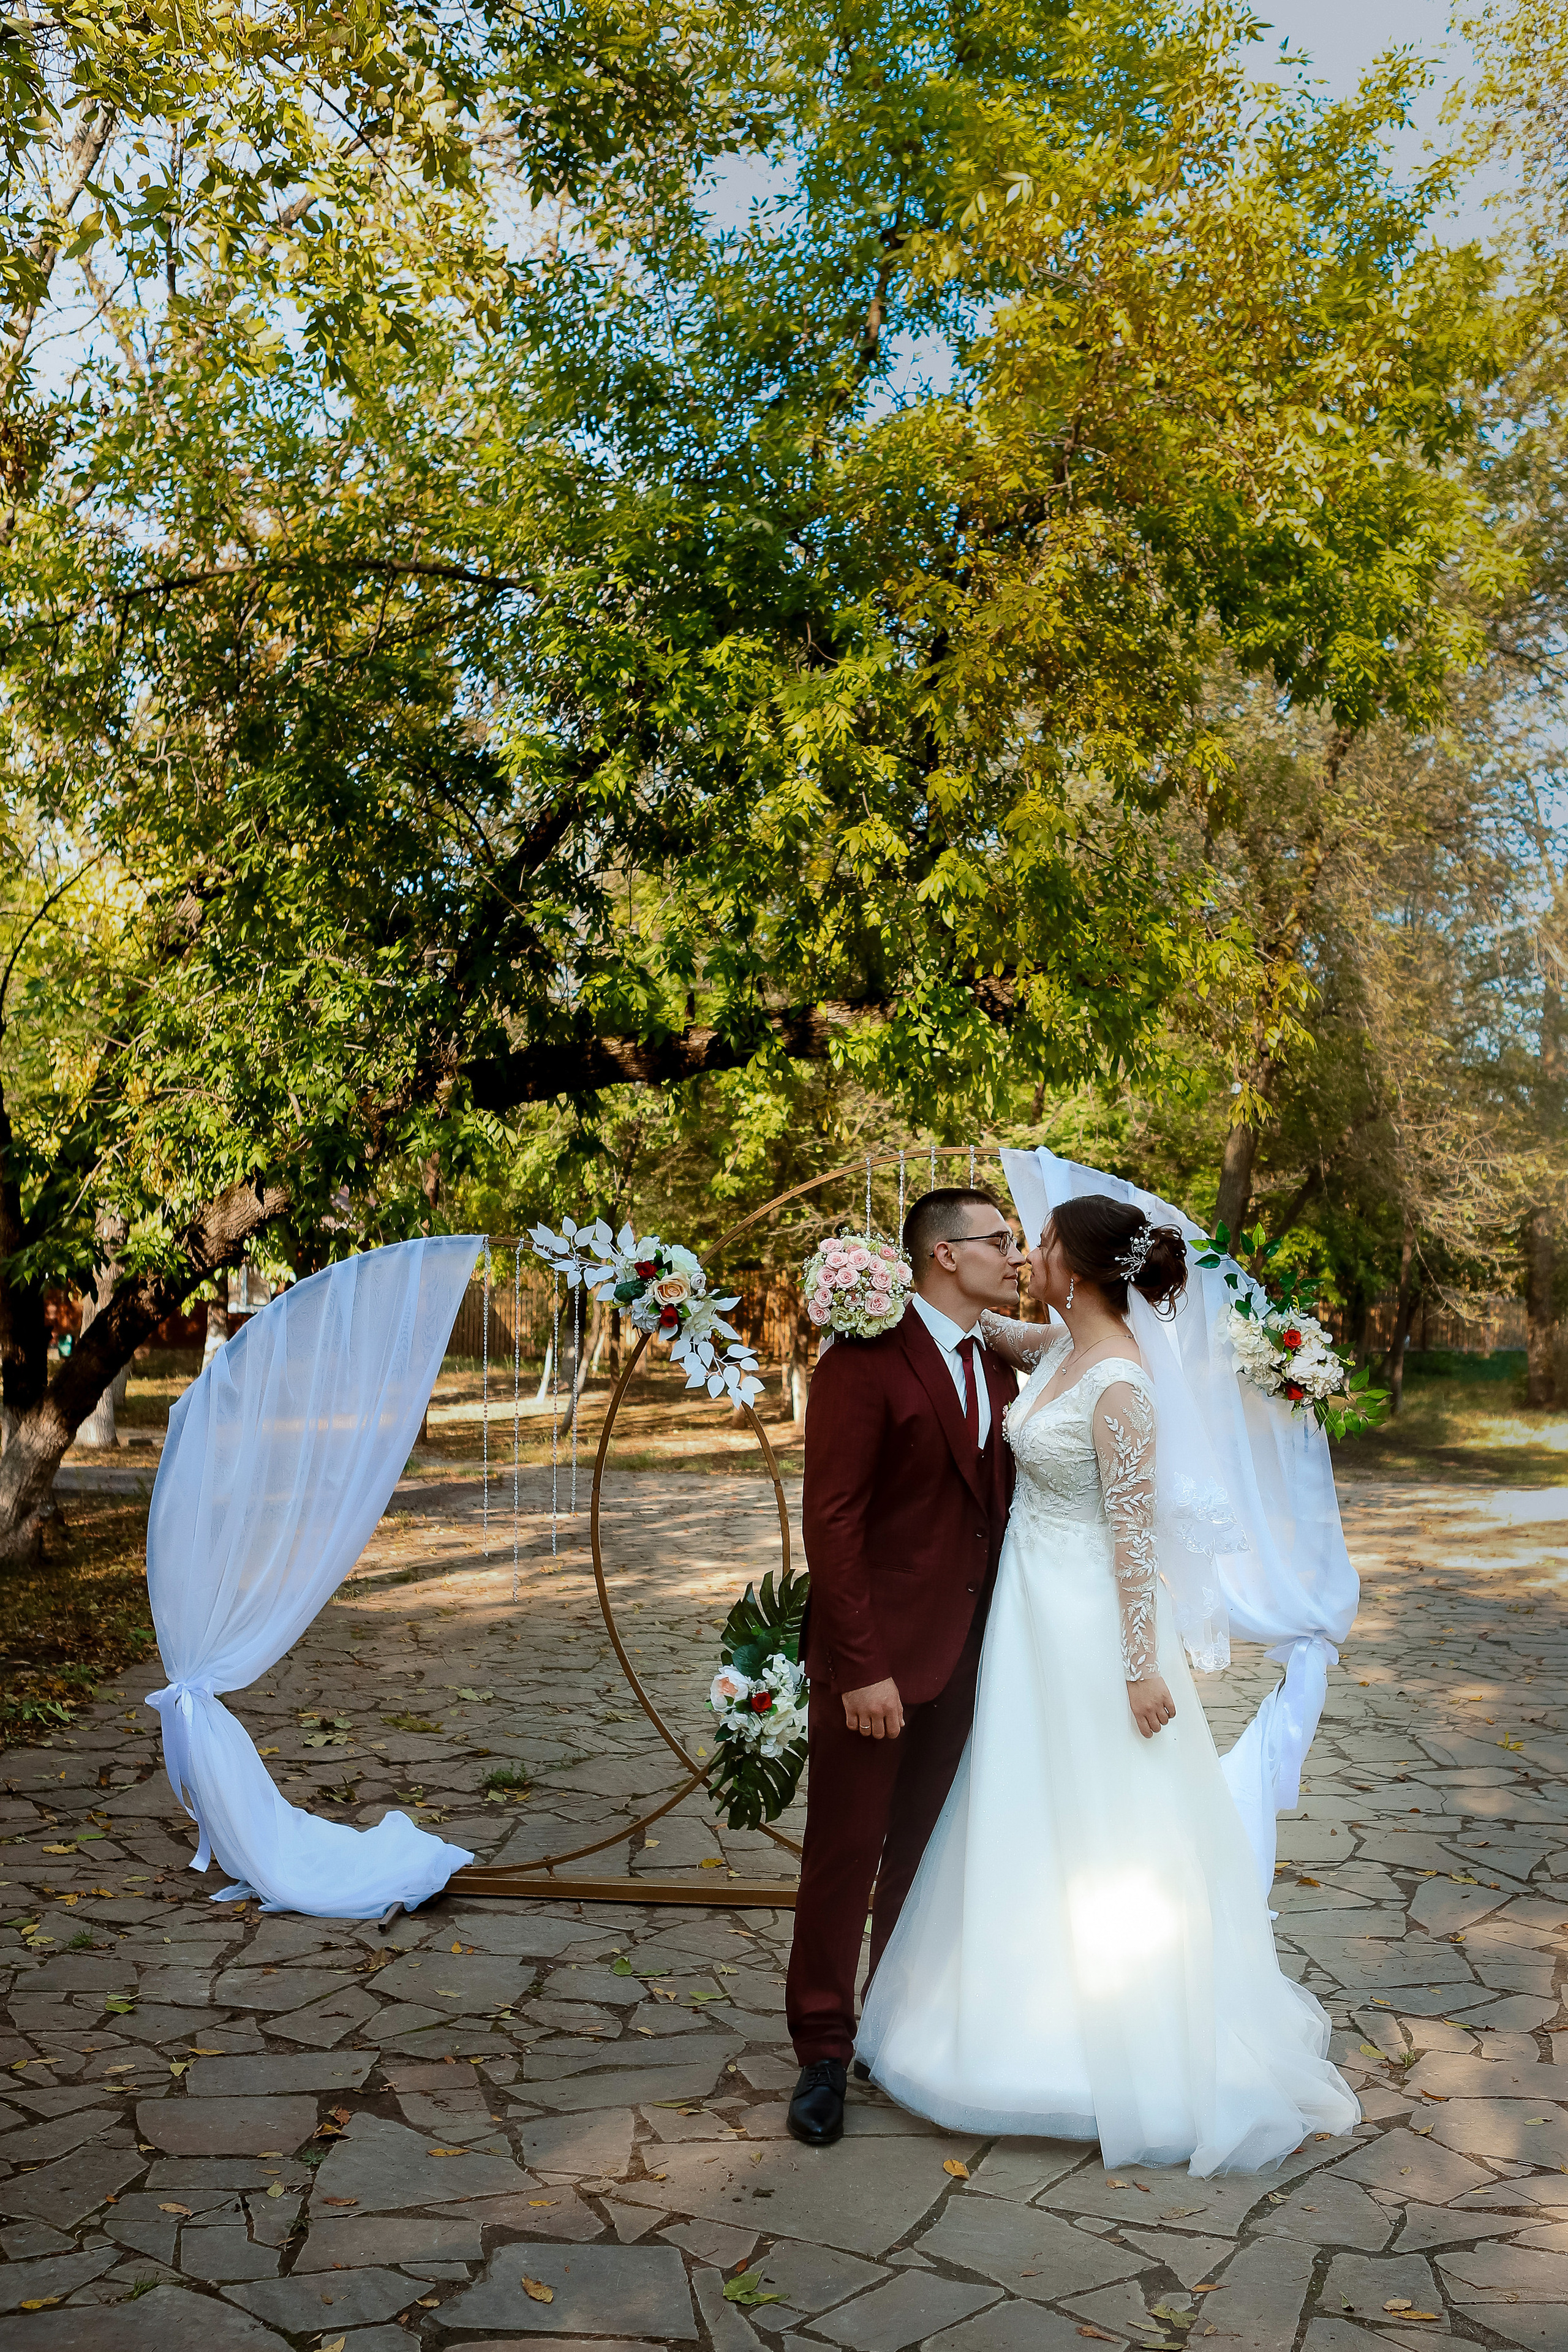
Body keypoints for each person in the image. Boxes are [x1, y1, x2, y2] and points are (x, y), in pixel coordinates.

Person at [854, 1194, 1360, 2174]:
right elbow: (984, 1326)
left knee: (1101, 1813)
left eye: (1037, 1243)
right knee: (1024, 1803)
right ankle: (999, 2015)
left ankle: (1116, 2051)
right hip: (1030, 1612)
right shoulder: (1058, 1351)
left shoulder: (1120, 1380)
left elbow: (1134, 1540)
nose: (1024, 1253)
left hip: (1091, 1625)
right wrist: (892, 1288)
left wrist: (1140, 1670)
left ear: (1075, 1269)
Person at [784, 1188, 1027, 2148]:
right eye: (998, 1241)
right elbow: (832, 1523)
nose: (1013, 1255)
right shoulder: (862, 1362)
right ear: (942, 1257)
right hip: (877, 1663)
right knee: (845, 1853)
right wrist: (861, 1668)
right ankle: (823, 2049)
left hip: (970, 1662)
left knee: (922, 1860)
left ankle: (893, 2027)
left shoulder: (1000, 1366)